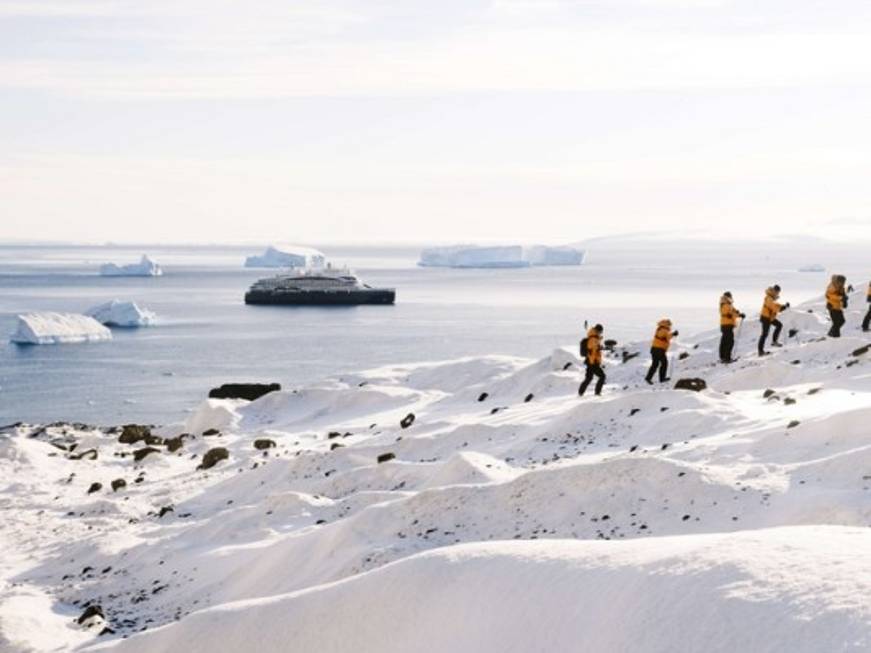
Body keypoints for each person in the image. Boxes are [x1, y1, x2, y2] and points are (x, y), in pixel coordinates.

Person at [758, 285, 789, 356]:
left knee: (779, 325)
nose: (778, 293)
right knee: (764, 334)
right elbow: (773, 306)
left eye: (778, 292)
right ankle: (760, 351)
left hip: (770, 318)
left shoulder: (771, 297)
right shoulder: (768, 298)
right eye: (777, 292)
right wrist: (782, 308)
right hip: (766, 318)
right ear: (774, 291)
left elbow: (775, 305)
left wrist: (783, 306)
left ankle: (774, 341)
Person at [645, 319, 678, 384]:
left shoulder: (661, 329)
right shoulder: (663, 329)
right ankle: (662, 378)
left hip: (655, 349)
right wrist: (673, 334)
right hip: (659, 350)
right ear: (667, 324)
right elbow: (666, 337)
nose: (670, 326)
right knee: (664, 363)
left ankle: (648, 378)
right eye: (670, 324)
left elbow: (665, 337)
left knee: (655, 364)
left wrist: (672, 334)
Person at [578, 324, 606, 397]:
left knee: (589, 378)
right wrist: (594, 362)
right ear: (597, 330)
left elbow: (593, 349)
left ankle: (580, 393)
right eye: (600, 331)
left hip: (590, 361)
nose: (601, 333)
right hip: (592, 362)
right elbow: (592, 350)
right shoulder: (593, 339)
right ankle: (597, 393)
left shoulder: (594, 338)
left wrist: (599, 347)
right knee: (602, 376)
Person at [719, 292, 745, 363]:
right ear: (727, 297)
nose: (731, 298)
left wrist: (739, 314)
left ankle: (723, 357)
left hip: (725, 325)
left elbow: (734, 311)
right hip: (727, 325)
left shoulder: (727, 304)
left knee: (724, 341)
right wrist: (739, 315)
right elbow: (731, 314)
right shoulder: (725, 305)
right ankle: (727, 358)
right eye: (730, 296)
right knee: (730, 341)